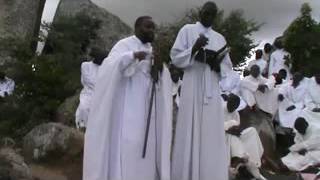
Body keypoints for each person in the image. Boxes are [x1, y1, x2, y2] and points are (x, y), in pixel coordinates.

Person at [83, 16, 172, 180]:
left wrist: (159, 70)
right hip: (128, 105)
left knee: (148, 147)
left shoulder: (153, 51)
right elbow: (109, 67)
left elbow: (162, 78)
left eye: (153, 28)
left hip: (148, 109)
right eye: (148, 27)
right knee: (130, 143)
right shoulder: (124, 45)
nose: (152, 31)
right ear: (137, 28)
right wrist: (132, 56)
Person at [170, 2, 232, 180]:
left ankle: (209, 173)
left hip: (211, 87)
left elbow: (228, 67)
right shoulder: (187, 30)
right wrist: (195, 48)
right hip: (192, 85)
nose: (209, 17)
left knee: (210, 131)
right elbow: (175, 57)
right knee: (190, 126)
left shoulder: (220, 38)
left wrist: (217, 65)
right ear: (200, 12)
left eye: (213, 14)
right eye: (206, 13)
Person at [223, 94, 266, 180]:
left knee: (252, 131)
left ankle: (254, 161)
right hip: (222, 136)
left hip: (233, 135)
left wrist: (238, 130)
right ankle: (240, 159)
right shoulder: (220, 108)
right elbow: (214, 126)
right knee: (232, 137)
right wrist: (227, 130)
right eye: (231, 105)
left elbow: (237, 125)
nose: (232, 108)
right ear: (228, 102)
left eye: (235, 107)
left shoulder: (235, 113)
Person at [75, 47, 106, 129]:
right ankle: (82, 126)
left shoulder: (104, 68)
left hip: (101, 93)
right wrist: (99, 85)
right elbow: (88, 80)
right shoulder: (85, 65)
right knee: (84, 107)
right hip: (88, 92)